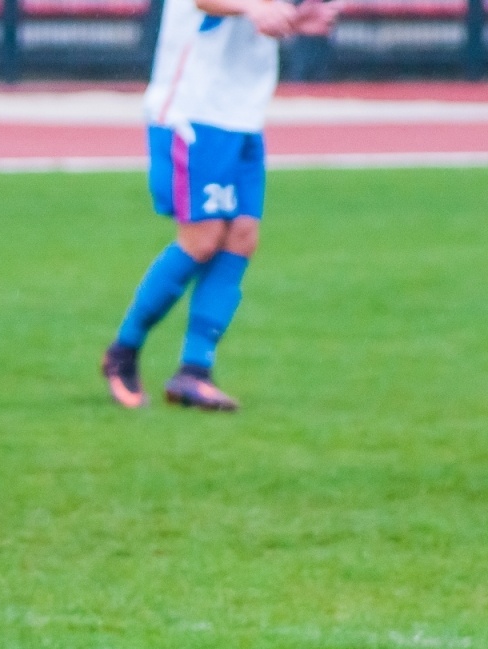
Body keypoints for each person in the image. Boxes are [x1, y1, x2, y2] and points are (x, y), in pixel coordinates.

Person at [101, 0, 341, 411]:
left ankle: (193, 373)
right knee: (202, 238)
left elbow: (253, 19)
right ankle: (122, 352)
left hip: (242, 115)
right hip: (193, 113)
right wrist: (254, 7)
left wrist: (295, 19)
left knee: (242, 237)